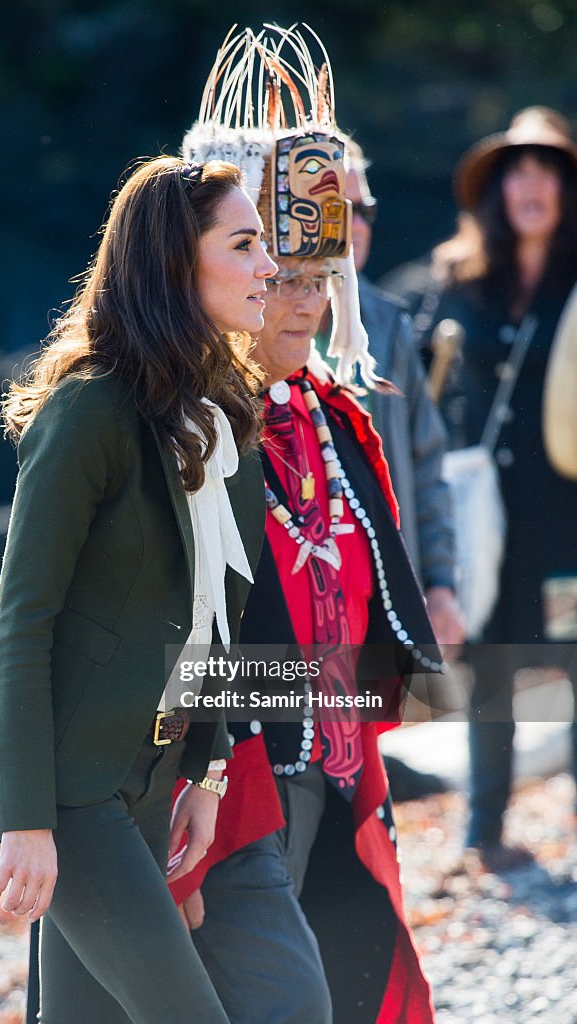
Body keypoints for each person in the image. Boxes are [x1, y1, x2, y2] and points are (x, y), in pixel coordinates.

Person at [0, 154, 278, 1023]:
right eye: (245, 244)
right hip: (68, 788)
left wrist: (204, 775)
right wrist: (24, 818)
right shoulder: (89, 407)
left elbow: (220, 620)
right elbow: (23, 624)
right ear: (178, 262)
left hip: (146, 781)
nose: (270, 267)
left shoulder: (226, 414)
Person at [171, 26, 443, 1024]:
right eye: (278, 276)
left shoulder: (330, 418)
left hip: (329, 763)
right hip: (220, 778)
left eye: (319, 279)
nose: (304, 302)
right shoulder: (182, 423)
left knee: (337, 977)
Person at [383, 107, 577, 870]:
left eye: (546, 171)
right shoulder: (459, 280)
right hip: (484, 514)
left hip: (566, 511)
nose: (529, 185)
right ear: (496, 192)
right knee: (490, 660)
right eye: (516, 173)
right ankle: (484, 834)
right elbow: (420, 392)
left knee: (571, 653)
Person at [315, 140, 464, 654]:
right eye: (338, 207)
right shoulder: (247, 320)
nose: (355, 223)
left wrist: (441, 586)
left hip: (377, 594)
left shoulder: (388, 322)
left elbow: (426, 465)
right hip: (289, 600)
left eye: (366, 210)